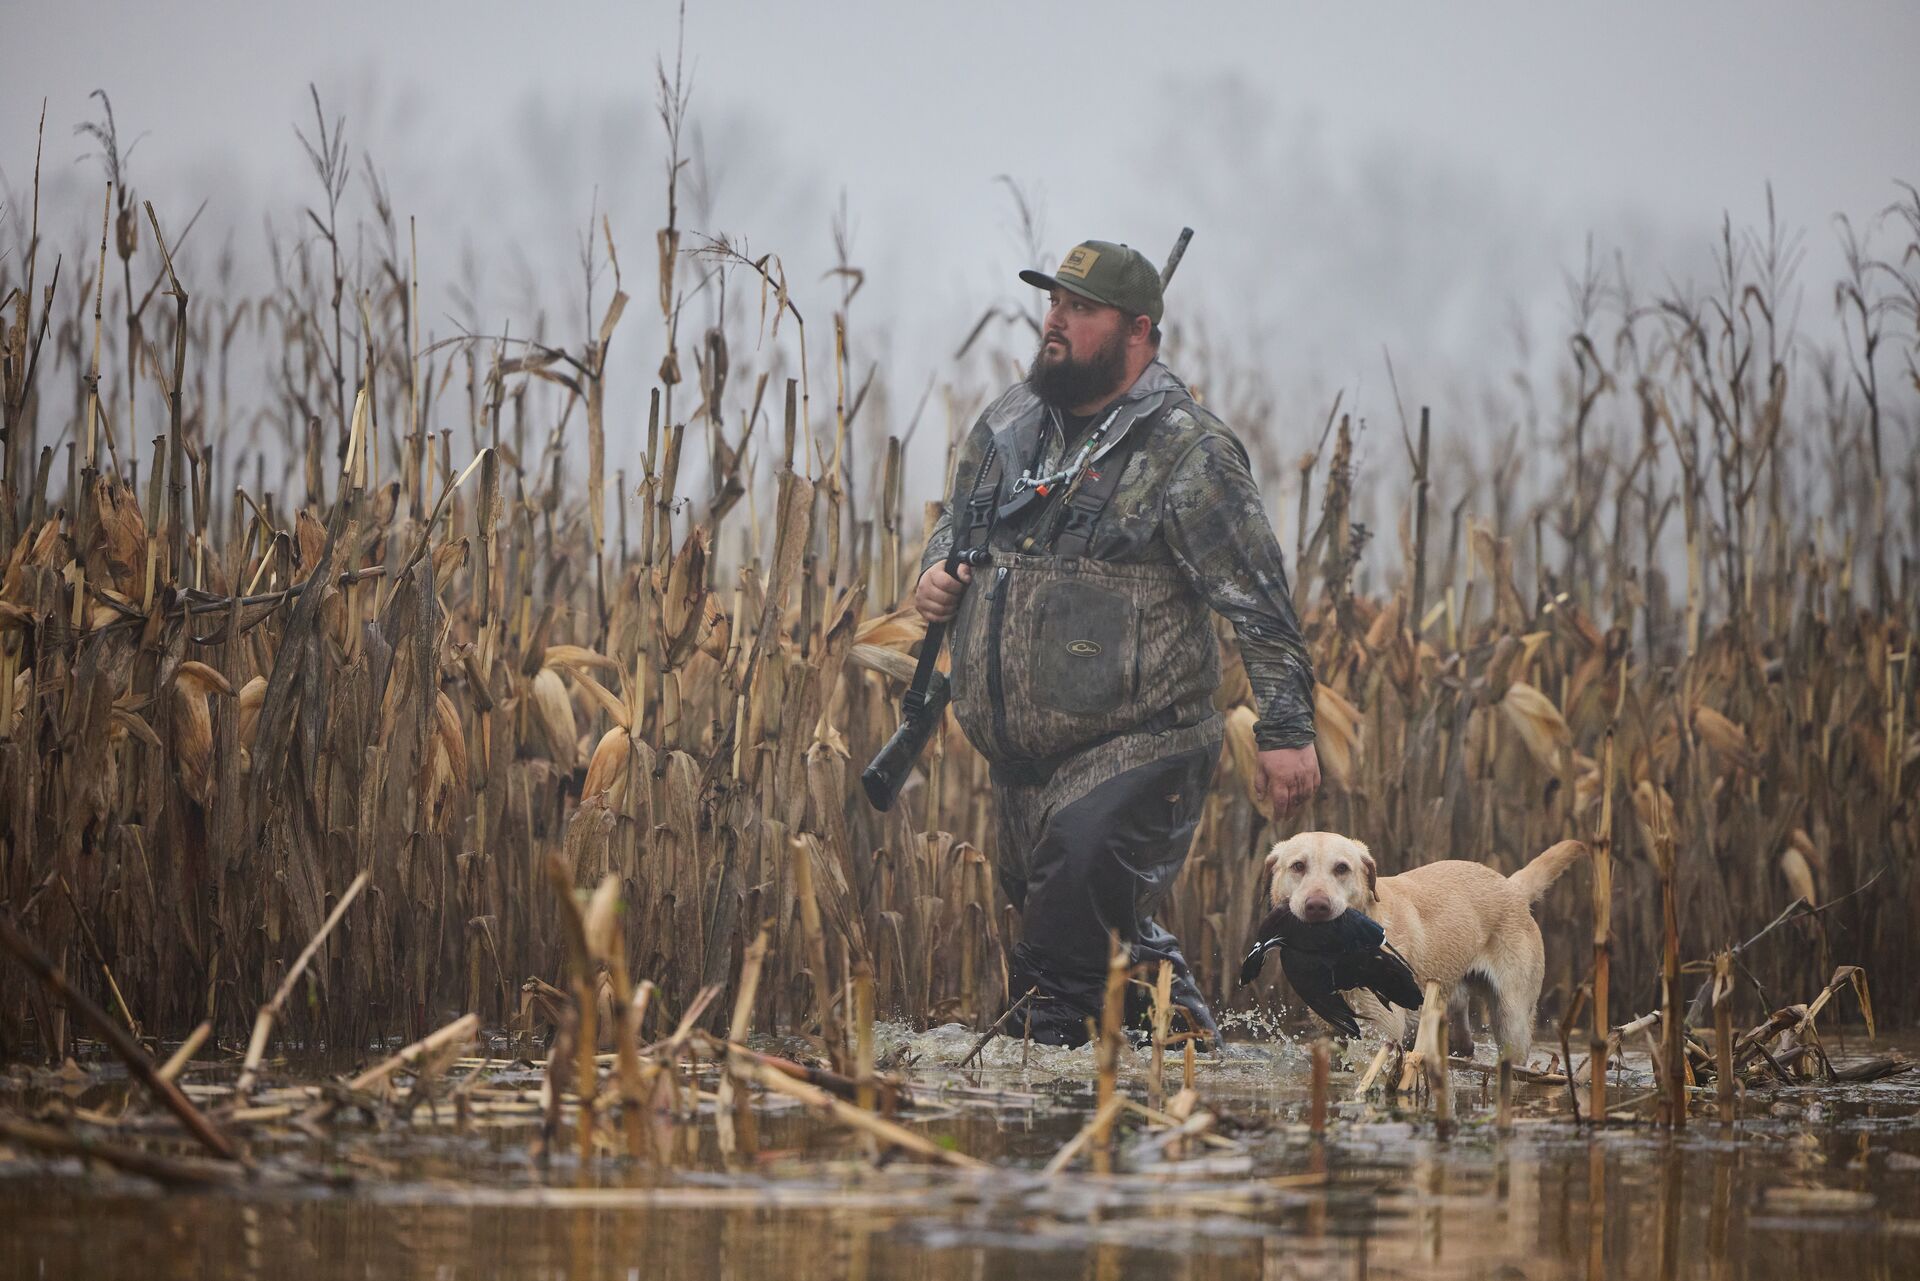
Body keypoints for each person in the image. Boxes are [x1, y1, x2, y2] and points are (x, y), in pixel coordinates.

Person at [914, 238, 1320, 1045]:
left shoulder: (1188, 450)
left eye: (1080, 308)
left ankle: (1033, 1112)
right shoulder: (1006, 425)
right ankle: (1200, 1064)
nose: (1055, 320)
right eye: (1052, 302)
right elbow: (953, 532)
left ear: (1139, 331)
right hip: (1025, 764)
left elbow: (1260, 603)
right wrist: (933, 575)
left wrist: (1286, 732)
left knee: (1056, 968)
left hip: (1143, 746)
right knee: (1106, 938)